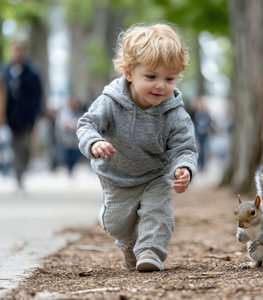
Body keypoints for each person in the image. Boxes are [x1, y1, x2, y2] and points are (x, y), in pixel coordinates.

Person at [77, 23, 198, 272]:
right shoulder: (110, 102)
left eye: (169, 78)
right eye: (151, 77)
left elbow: (184, 147)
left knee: (157, 212)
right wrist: (94, 142)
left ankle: (151, 252)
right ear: (130, 73)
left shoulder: (174, 112)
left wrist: (184, 167)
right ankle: (129, 244)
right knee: (117, 224)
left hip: (155, 174)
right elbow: (87, 124)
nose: (161, 86)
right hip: (117, 176)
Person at [1, 42, 42, 188]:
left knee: (26, 147)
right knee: (14, 146)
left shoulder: (32, 73)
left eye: (19, 50)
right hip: (10, 117)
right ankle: (18, 174)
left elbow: (38, 96)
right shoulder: (5, 72)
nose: (17, 53)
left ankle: (22, 169)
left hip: (27, 117)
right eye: (14, 50)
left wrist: (36, 116)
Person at [55, 95, 82, 175]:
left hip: (75, 140)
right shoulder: (64, 112)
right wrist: (72, 126)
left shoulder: (78, 111)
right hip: (66, 139)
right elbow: (63, 124)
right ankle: (69, 170)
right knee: (67, 156)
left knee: (75, 156)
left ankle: (72, 169)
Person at [193, 97, 212, 171]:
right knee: (199, 150)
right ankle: (198, 165)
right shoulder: (196, 113)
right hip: (198, 134)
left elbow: (209, 123)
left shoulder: (206, 114)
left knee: (204, 150)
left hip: (205, 134)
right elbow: (194, 124)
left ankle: (203, 165)